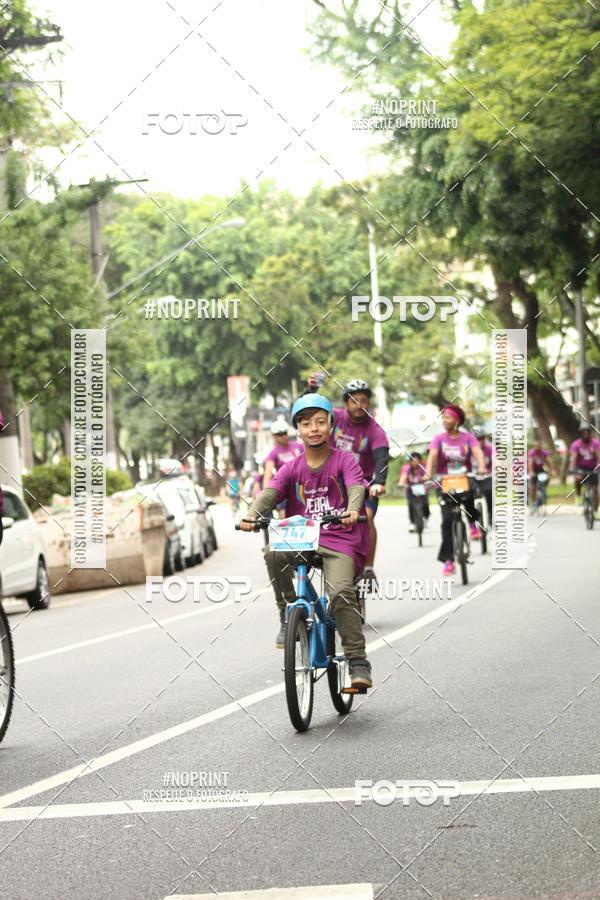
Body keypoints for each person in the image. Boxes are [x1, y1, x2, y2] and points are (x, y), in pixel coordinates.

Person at [240, 393, 372, 689]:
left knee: (340, 593)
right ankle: (287, 615)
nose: (313, 428)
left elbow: (355, 487)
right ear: (297, 430)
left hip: (339, 537)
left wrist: (352, 510)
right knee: (272, 551)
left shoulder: (345, 460)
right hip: (302, 534)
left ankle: (357, 661)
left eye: (320, 422)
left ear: (330, 427)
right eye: (305, 423)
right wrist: (251, 515)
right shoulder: (291, 468)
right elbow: (270, 493)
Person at [305, 375, 389, 588]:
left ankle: (368, 568)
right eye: (354, 400)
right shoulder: (336, 418)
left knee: (366, 518)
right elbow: (309, 411)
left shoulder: (375, 430)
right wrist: (311, 389)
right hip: (330, 483)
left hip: (363, 486)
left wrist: (379, 481)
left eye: (363, 400)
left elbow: (381, 459)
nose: (359, 405)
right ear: (346, 403)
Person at [425, 404, 487, 577]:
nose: (445, 421)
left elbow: (478, 453)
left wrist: (481, 467)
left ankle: (473, 523)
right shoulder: (439, 439)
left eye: (448, 417)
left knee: (469, 500)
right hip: (444, 482)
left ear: (457, 420)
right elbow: (432, 457)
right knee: (447, 521)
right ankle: (448, 561)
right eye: (443, 417)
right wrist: (428, 474)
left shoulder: (468, 438)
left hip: (464, 478)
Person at [569, 423, 600, 509]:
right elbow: (573, 458)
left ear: (590, 433)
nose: (586, 435)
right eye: (584, 433)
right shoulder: (576, 444)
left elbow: (599, 456)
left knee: (594, 490)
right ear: (581, 434)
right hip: (581, 468)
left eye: (587, 433)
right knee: (578, 478)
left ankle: (596, 510)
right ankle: (578, 496)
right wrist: (571, 468)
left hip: (593, 468)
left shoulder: (595, 443)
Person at [397, 452, 430, 531]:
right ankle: (412, 522)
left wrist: (425, 480)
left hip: (422, 488)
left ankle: (425, 519)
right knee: (411, 505)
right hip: (410, 489)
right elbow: (403, 476)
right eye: (411, 460)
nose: (413, 462)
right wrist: (401, 483)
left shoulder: (422, 467)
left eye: (415, 460)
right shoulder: (406, 468)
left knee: (425, 504)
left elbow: (427, 476)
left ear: (419, 460)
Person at [472, 426, 493, 526]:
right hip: (472, 477)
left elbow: (497, 461)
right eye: (477, 439)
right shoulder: (467, 450)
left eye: (482, 438)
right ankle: (472, 522)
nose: (480, 441)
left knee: (489, 492)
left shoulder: (490, 449)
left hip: (487, 476)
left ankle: (491, 516)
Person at [527, 440, 551, 507]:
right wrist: (531, 471)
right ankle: (533, 503)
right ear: (534, 447)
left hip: (540, 469)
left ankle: (543, 489)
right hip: (533, 469)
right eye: (536, 446)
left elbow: (549, 461)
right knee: (532, 487)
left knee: (547, 477)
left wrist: (552, 469)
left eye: (538, 446)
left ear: (540, 446)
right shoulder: (532, 453)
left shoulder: (543, 452)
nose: (537, 447)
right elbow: (530, 463)